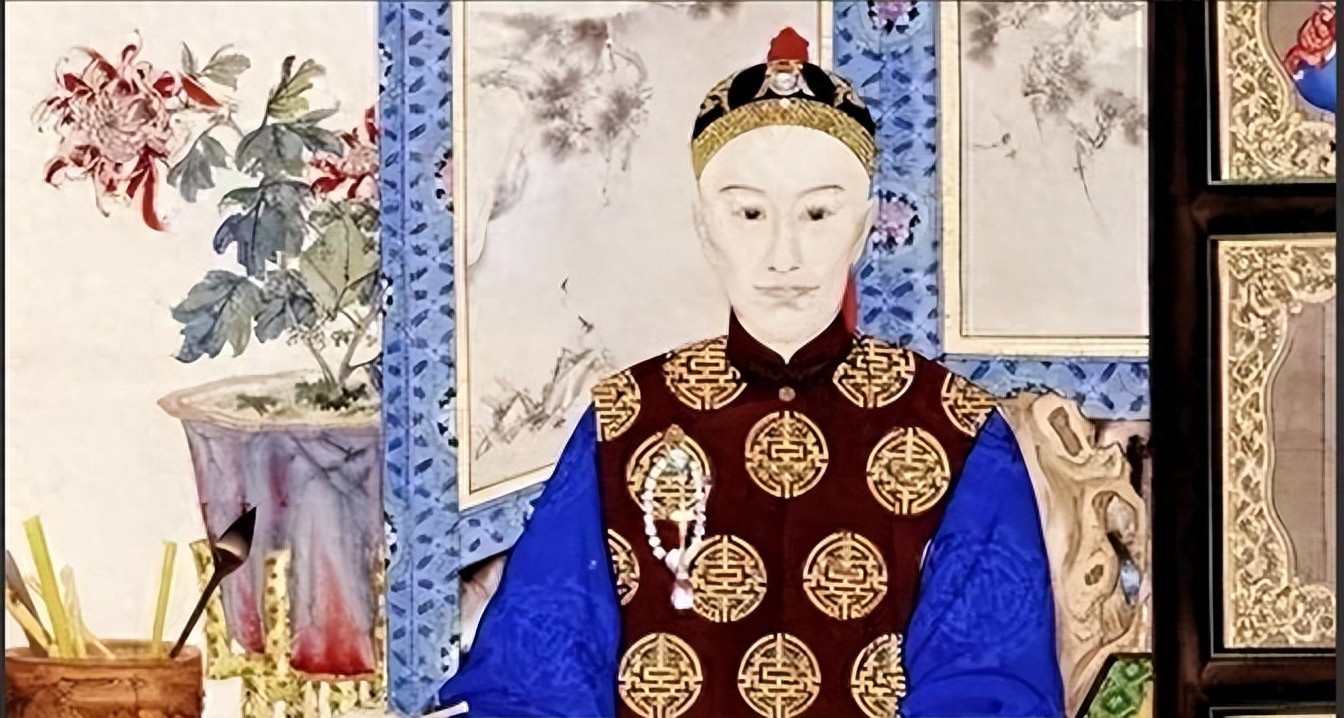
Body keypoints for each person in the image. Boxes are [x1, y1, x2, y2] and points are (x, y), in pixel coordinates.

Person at [437, 27, 1064, 718]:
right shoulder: (626, 422)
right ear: (705, 227)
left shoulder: (955, 429)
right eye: (749, 213)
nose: (783, 254)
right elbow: (534, 677)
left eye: (817, 213)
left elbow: (989, 688)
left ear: (861, 229)